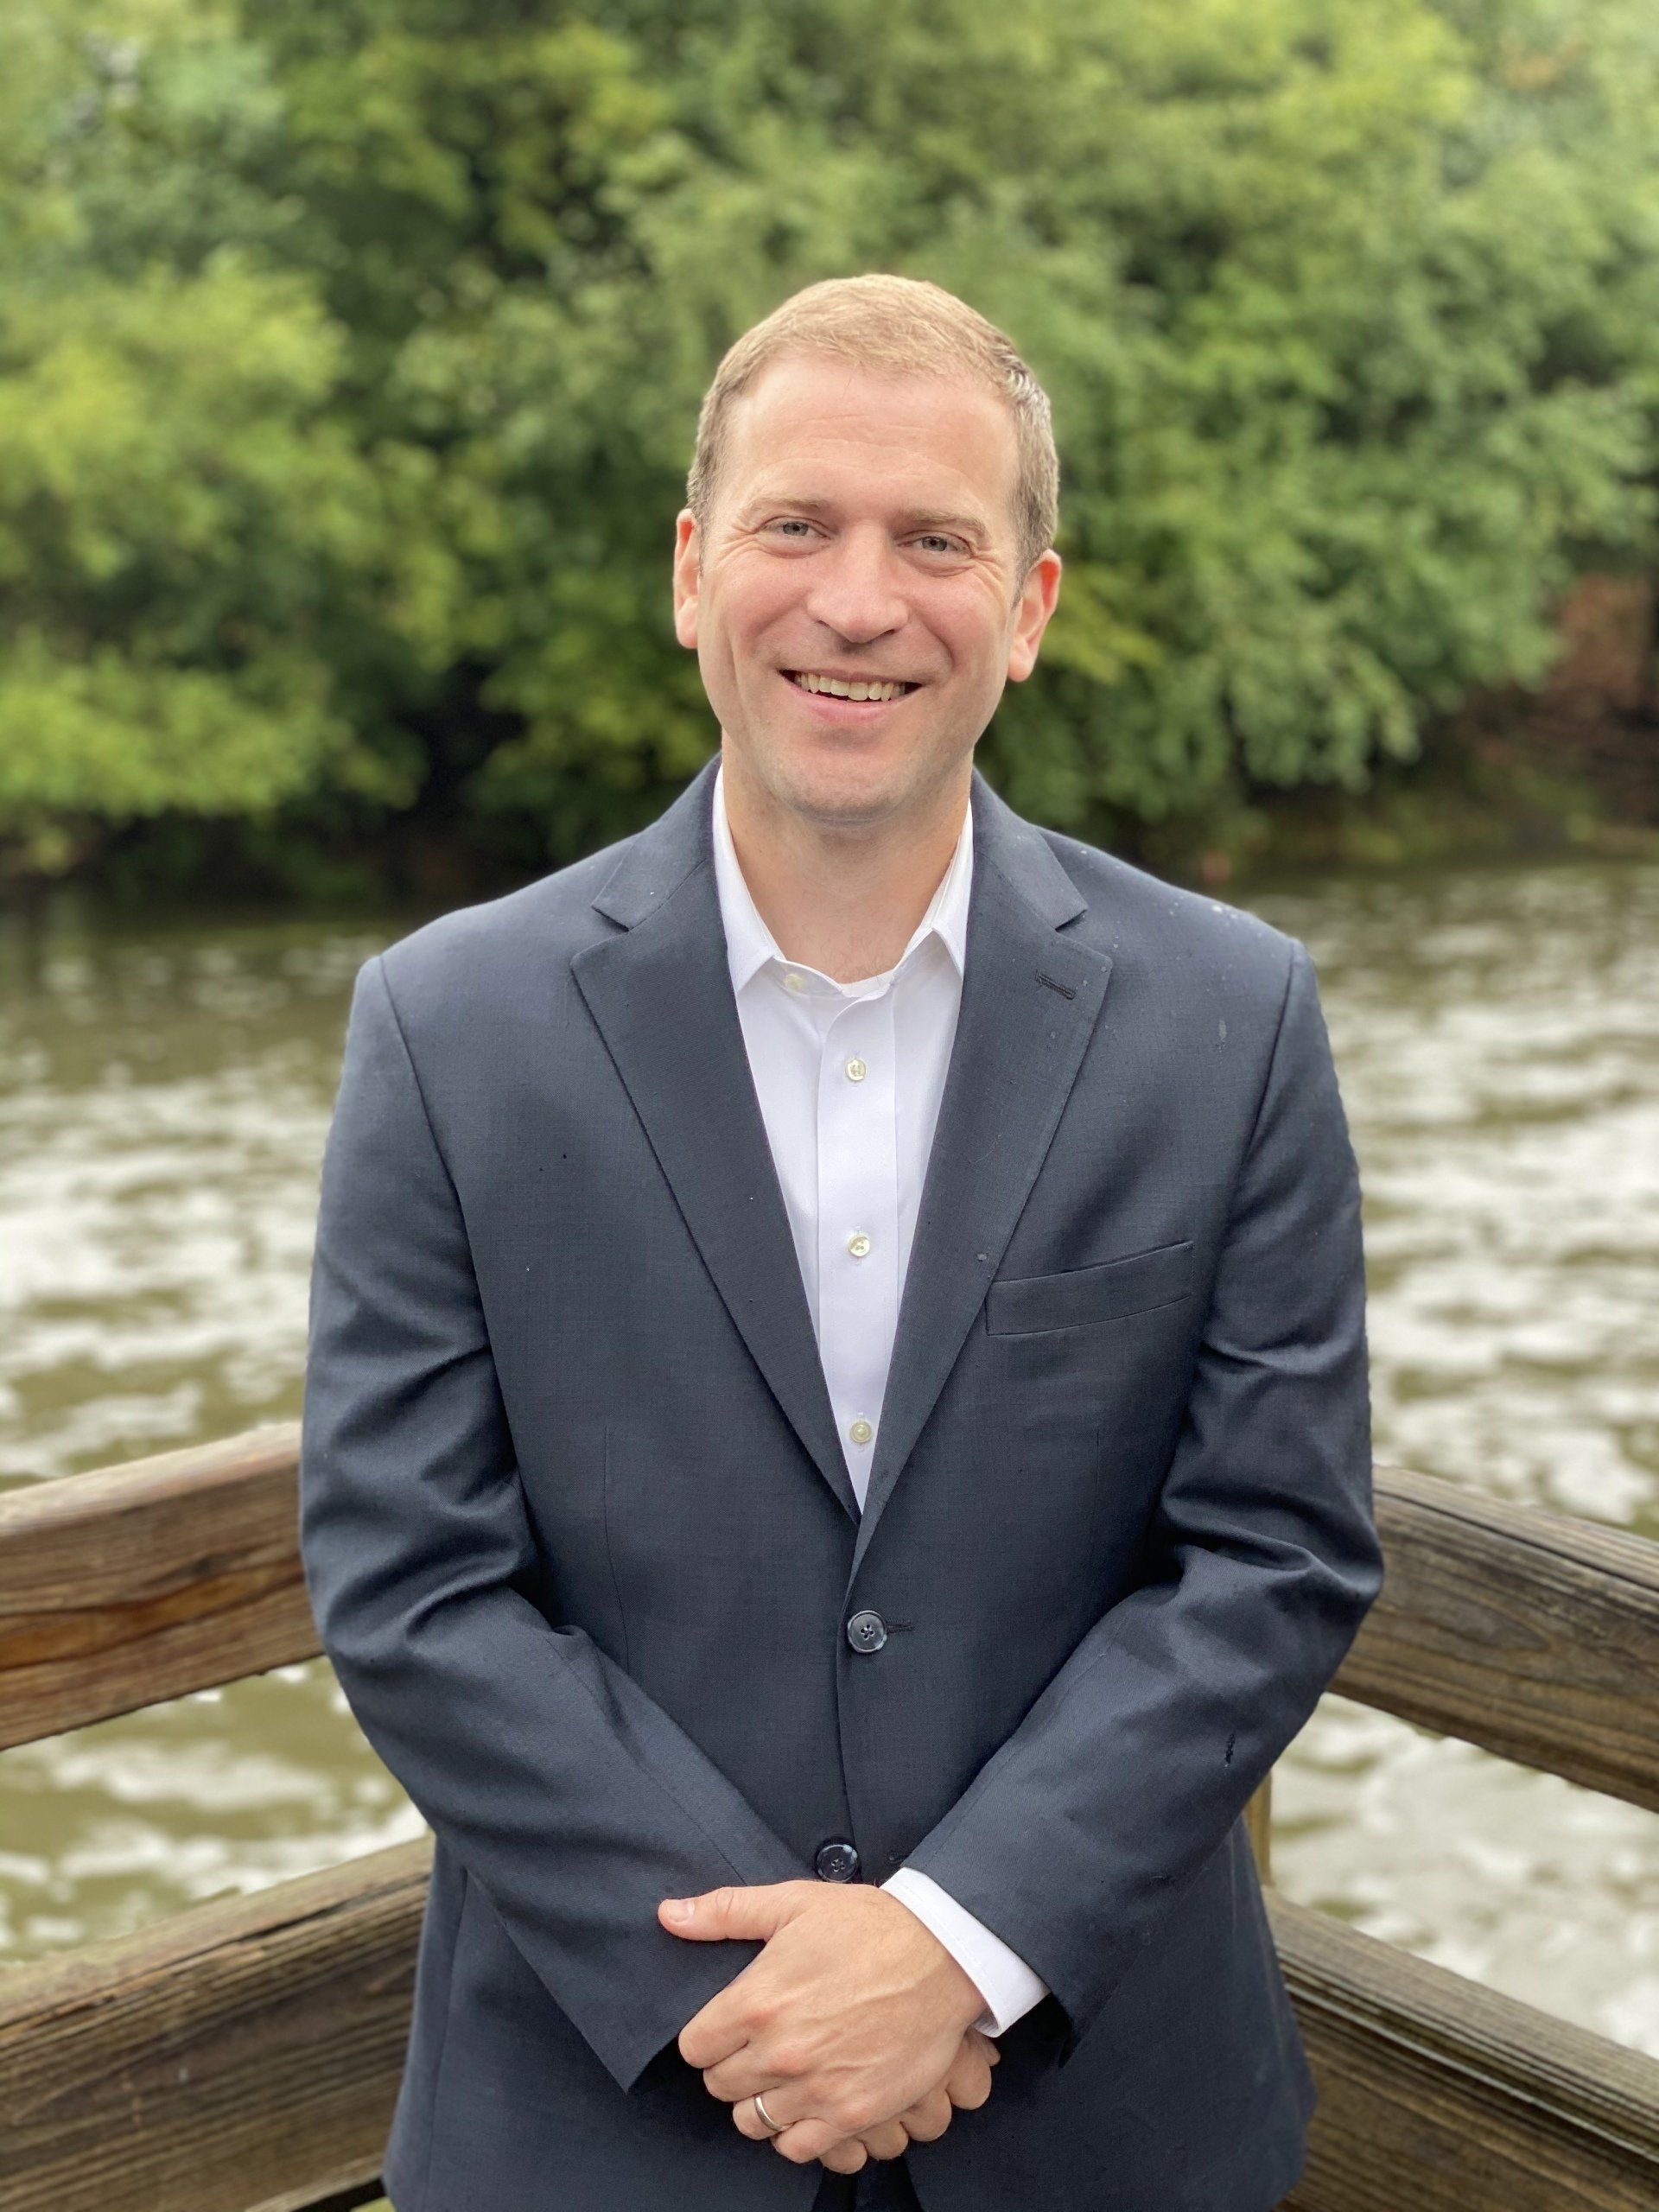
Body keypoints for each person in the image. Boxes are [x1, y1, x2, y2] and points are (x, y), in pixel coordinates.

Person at [299, 272, 1385, 2212]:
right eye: (798, 524)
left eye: (937, 540)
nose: (861, 601)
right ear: (696, 570)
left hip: (1104, 2121)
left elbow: (1275, 1549)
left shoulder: (1233, 1016)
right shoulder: (447, 1026)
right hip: (605, 2120)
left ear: (1032, 608)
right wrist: (771, 1985)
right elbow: (409, 1578)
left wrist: (960, 1940)